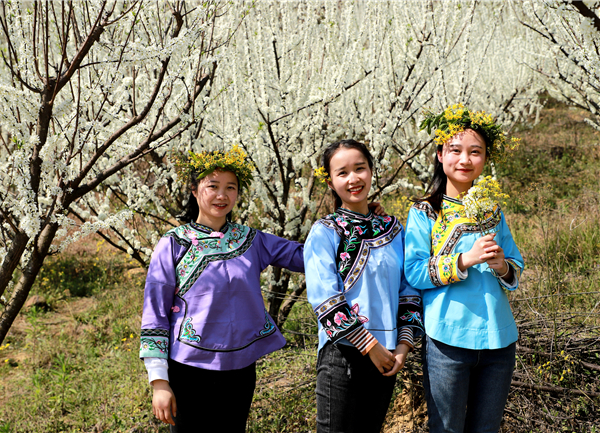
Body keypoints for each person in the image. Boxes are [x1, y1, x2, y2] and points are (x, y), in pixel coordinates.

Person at [139, 145, 304, 432]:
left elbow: (307, 256)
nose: (221, 195)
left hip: (240, 369)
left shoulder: (251, 240)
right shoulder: (173, 244)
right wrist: (160, 382)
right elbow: (155, 312)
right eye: (212, 186)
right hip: (188, 368)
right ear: (194, 189)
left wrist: (349, 224)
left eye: (230, 188)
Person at [405, 104, 524, 433]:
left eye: (475, 152)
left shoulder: (492, 209)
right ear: (440, 155)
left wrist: (502, 265)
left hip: (498, 339)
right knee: (446, 428)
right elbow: (413, 271)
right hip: (448, 339)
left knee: (486, 428)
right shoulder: (424, 211)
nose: (465, 160)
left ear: (485, 159)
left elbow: (516, 265)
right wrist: (465, 259)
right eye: (455, 150)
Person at [304, 139, 424, 433]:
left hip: (389, 357)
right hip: (342, 353)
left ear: (372, 171)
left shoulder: (394, 229)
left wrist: (403, 346)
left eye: (360, 169)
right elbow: (325, 299)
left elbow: (409, 291)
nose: (353, 178)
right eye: (342, 173)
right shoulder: (325, 231)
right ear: (330, 182)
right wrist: (369, 346)